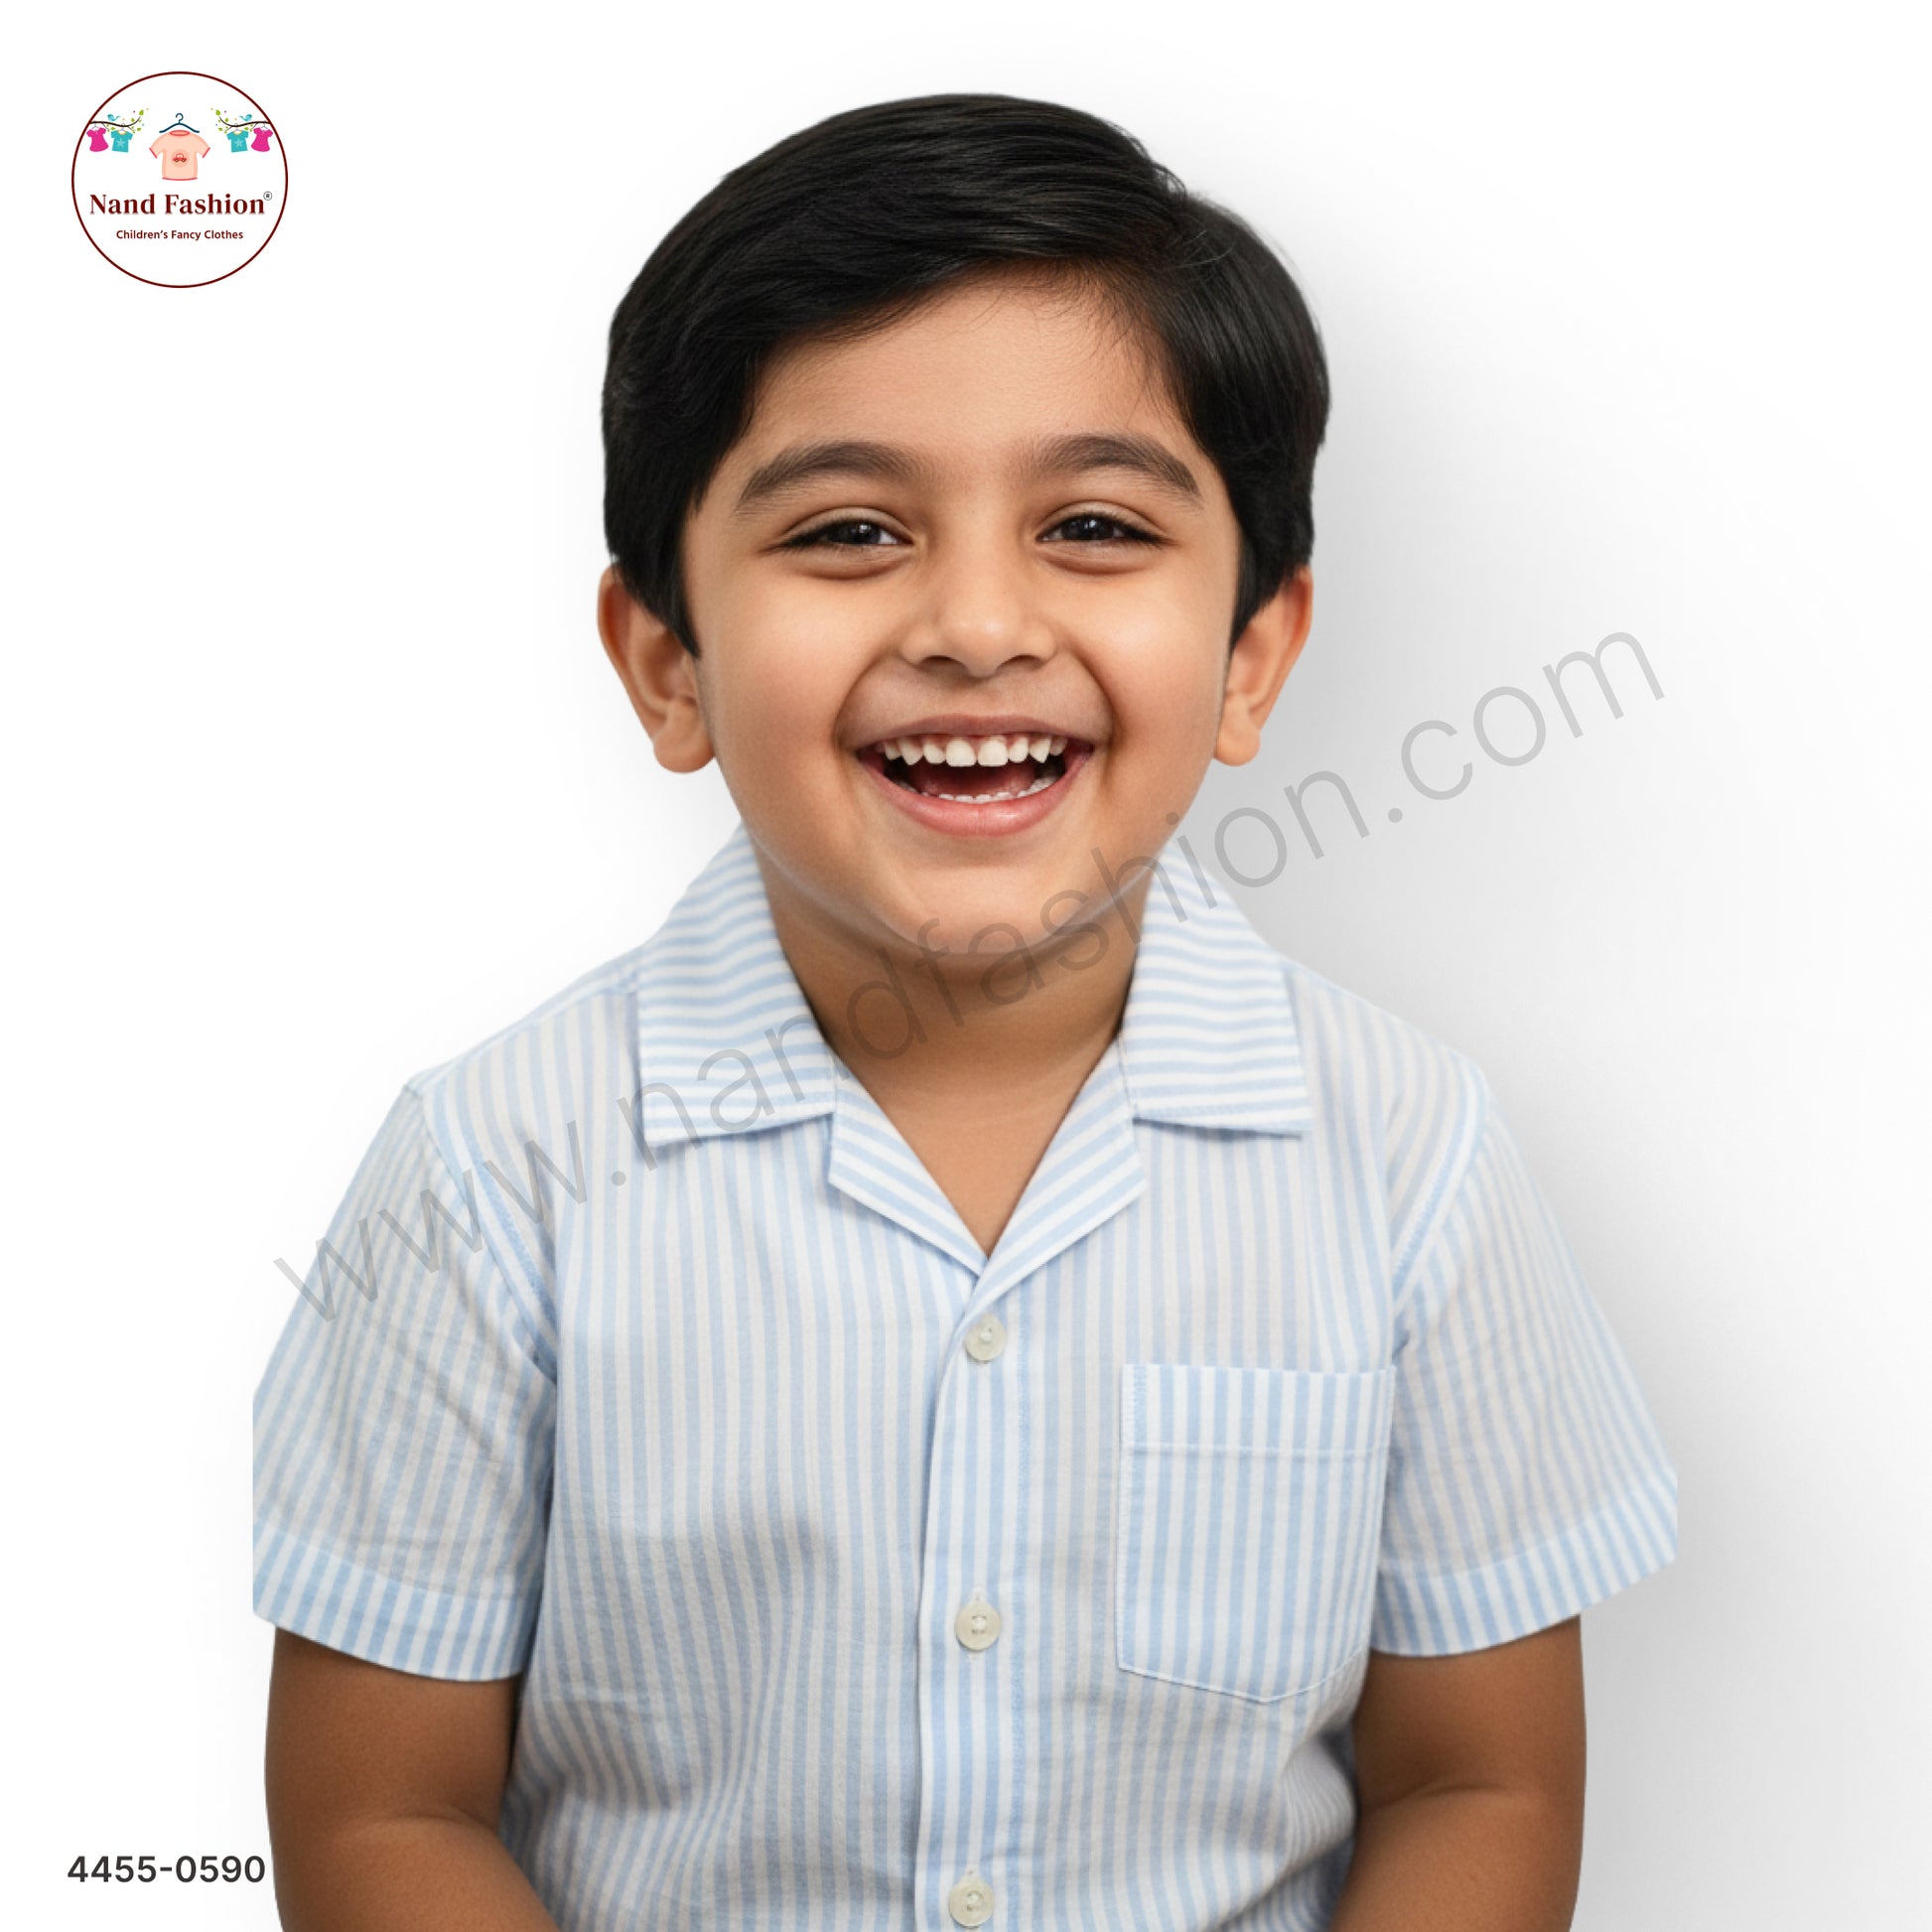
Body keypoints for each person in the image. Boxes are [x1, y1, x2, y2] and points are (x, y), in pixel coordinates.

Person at [253, 91, 1677, 1932]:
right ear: (667, 661)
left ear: (1250, 653)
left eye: (1091, 522)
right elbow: (384, 1817)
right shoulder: (486, 1176)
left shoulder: (1407, 1157)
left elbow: (1475, 1779)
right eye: (851, 529)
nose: (978, 623)